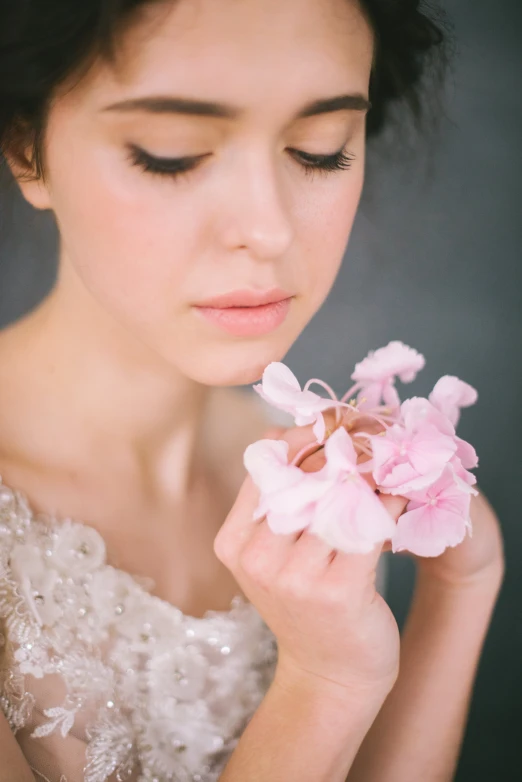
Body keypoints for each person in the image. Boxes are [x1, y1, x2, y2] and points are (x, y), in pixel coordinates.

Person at [0, 1, 505, 780]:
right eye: (173, 155)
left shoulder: (326, 475)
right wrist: (325, 684)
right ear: (26, 147)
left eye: (320, 150)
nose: (268, 229)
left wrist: (461, 586)